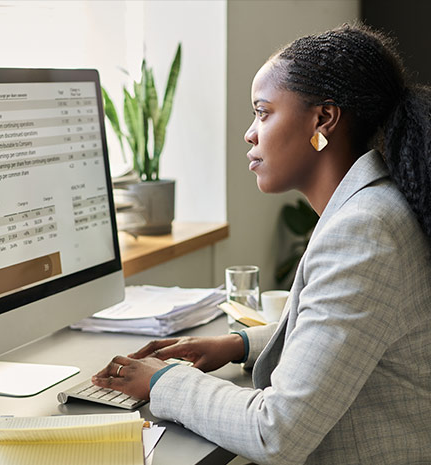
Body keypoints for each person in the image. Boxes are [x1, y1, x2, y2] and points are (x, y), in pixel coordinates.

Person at [93, 23, 431, 464]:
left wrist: (164, 382)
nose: (250, 134)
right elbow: (353, 330)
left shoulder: (364, 229)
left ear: (322, 119)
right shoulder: (374, 205)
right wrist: (239, 344)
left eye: (264, 112)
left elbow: (277, 432)